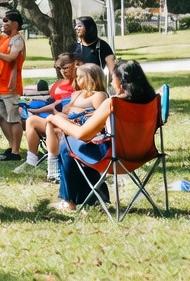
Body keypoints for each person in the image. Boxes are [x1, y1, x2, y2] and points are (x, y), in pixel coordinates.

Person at [47, 59, 157, 213]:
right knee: (84, 147)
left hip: (114, 155)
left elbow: (82, 135)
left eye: (112, 80)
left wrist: (57, 120)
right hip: (143, 154)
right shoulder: (153, 102)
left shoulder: (113, 103)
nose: (111, 84)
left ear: (119, 82)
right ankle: (96, 197)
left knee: (68, 142)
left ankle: (68, 200)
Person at [17, 61, 107, 180]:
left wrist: (85, 114)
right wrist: (35, 111)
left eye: (80, 77)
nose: (77, 80)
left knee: (54, 120)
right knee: (32, 120)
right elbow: (57, 105)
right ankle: (31, 160)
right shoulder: (77, 94)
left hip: (80, 129)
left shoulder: (98, 95)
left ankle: (54, 166)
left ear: (91, 79)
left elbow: (103, 116)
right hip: (62, 124)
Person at [0, 11, 26, 161]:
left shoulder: (17, 39)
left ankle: (16, 152)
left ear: (15, 24)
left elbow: (12, 58)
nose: (3, 23)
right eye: (3, 20)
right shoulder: (5, 39)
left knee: (13, 118)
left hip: (10, 86)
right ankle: (11, 147)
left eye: (7, 21)